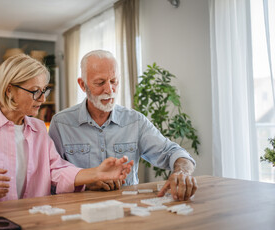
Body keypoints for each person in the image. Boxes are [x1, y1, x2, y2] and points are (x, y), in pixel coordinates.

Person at [0, 54, 133, 208]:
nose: (43, 99)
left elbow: (58, 170)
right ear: (9, 90)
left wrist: (97, 173)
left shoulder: (38, 129)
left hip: (34, 220)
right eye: (35, 91)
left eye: (44, 90)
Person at [49, 50, 197, 201]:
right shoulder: (61, 124)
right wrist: (87, 183)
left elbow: (172, 152)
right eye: (100, 83)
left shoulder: (135, 121)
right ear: (82, 84)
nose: (109, 90)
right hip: (78, 209)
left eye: (113, 81)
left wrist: (182, 172)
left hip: (127, 209)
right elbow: (51, 177)